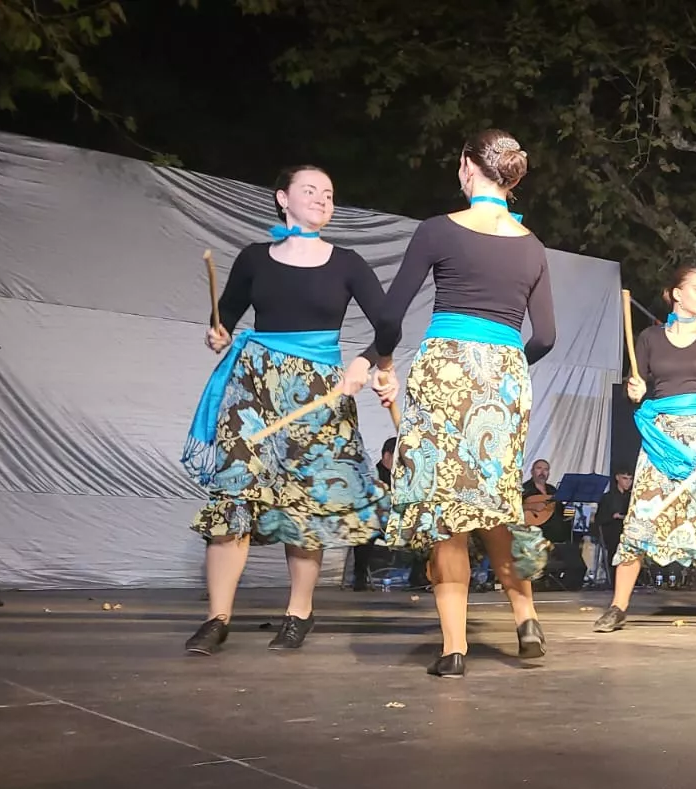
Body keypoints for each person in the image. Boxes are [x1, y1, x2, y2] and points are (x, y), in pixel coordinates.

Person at [181, 164, 395, 655]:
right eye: (310, 190)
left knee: (308, 502)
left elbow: (388, 324)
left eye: (329, 193)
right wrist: (218, 332)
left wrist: (364, 364)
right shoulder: (255, 258)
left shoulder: (347, 263)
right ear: (283, 198)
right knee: (235, 495)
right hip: (253, 389)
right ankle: (217, 618)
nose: (321, 198)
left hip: (319, 394)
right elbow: (226, 317)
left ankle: (299, 612)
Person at [377, 128, 557, 677]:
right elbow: (545, 337)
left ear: (465, 166)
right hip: (504, 377)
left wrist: (383, 363)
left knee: (446, 510)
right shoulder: (532, 246)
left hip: (447, 371)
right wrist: (503, 373)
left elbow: (391, 314)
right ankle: (524, 615)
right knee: (495, 500)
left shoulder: (439, 230)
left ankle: (454, 650)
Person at [594, 267, 696, 635]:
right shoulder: (649, 338)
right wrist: (633, 392)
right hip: (660, 439)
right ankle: (618, 607)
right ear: (676, 293)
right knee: (643, 516)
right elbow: (638, 389)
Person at [351, 437, 397, 591]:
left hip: (398, 522)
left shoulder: (402, 477)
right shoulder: (372, 476)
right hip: (377, 523)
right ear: (386, 456)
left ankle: (420, 575)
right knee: (365, 530)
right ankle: (360, 576)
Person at [594, 466, 634, 567]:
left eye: (630, 479)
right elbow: (599, 519)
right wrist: (614, 516)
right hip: (611, 531)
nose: (628, 482)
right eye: (624, 478)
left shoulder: (632, 496)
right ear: (617, 478)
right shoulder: (608, 497)